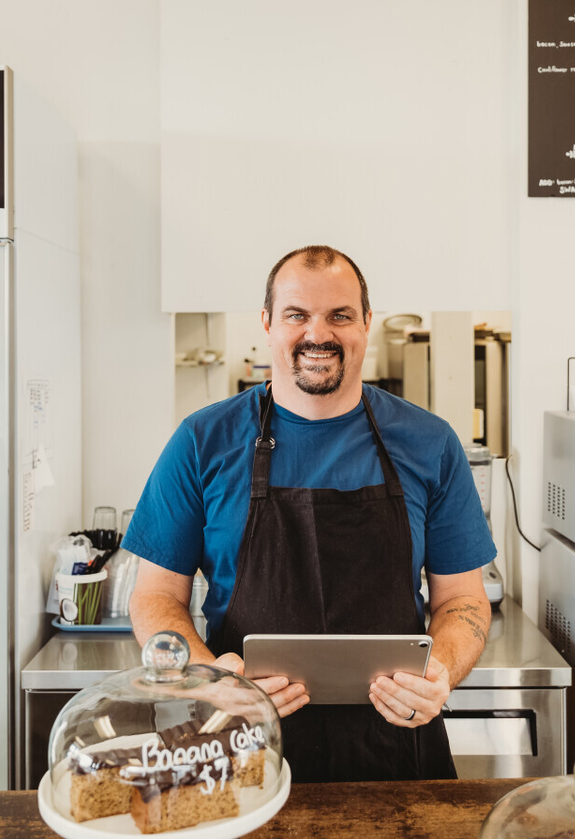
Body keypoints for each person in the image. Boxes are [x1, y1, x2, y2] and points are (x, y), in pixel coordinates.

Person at [124, 244, 497, 782]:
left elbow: (463, 599)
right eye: (297, 315)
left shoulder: (429, 442)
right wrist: (206, 676)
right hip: (241, 739)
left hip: (395, 747)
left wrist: (440, 672)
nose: (317, 334)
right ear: (268, 325)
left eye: (340, 315)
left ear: (367, 323)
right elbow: (155, 596)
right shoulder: (202, 441)